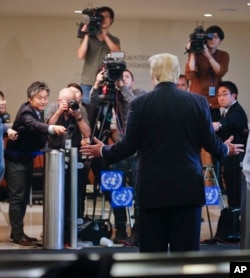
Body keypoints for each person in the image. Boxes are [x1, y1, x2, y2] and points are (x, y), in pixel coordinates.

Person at [80, 53, 244, 253]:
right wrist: (226, 148)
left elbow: (128, 146)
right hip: (187, 188)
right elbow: (209, 142)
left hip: (152, 188)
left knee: (152, 256)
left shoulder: (140, 104)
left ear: (153, 75)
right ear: (176, 75)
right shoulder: (198, 102)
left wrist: (103, 150)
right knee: (186, 257)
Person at [4, 81, 66, 247]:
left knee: (23, 197)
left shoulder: (38, 110)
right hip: (16, 160)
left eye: (46, 98)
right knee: (17, 197)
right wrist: (52, 129)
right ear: (30, 99)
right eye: (39, 98)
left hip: (27, 158)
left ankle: (18, 233)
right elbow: (34, 126)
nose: (44, 101)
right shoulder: (26, 111)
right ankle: (17, 235)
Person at [90, 69, 146, 245]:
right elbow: (93, 103)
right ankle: (120, 228)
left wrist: (122, 87)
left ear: (133, 81)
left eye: (127, 77)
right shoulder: (112, 95)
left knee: (139, 191)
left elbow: (136, 104)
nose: (122, 79)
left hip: (138, 151)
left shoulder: (139, 94)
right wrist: (97, 84)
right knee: (118, 191)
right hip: (120, 150)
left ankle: (138, 228)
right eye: (120, 77)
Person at [45, 87, 91, 244]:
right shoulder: (53, 108)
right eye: (66, 101)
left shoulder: (80, 110)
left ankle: (72, 232)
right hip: (54, 156)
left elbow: (87, 134)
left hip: (74, 156)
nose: (70, 104)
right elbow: (46, 128)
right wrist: (59, 112)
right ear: (58, 100)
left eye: (73, 101)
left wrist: (77, 116)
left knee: (74, 195)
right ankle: (53, 231)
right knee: (55, 195)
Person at [212, 81, 248, 208]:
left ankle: (236, 224)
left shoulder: (236, 111)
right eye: (219, 95)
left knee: (235, 198)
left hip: (236, 161)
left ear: (234, 96)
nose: (221, 97)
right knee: (231, 196)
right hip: (230, 160)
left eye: (224, 94)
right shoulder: (226, 111)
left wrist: (217, 125)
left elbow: (228, 121)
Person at [77, 6, 121, 104]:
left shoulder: (114, 40)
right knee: (88, 111)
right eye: (101, 16)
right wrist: (88, 33)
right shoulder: (89, 38)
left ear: (111, 20)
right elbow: (80, 55)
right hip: (88, 81)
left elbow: (117, 54)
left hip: (106, 82)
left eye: (106, 16)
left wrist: (104, 35)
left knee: (105, 112)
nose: (104, 19)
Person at [185, 25, 229, 112]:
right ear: (205, 39)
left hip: (213, 102)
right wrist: (192, 52)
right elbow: (190, 74)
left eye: (216, 37)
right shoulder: (197, 55)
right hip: (197, 99)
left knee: (214, 124)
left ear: (220, 40)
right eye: (210, 37)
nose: (212, 40)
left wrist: (209, 56)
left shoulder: (223, 55)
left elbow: (220, 72)